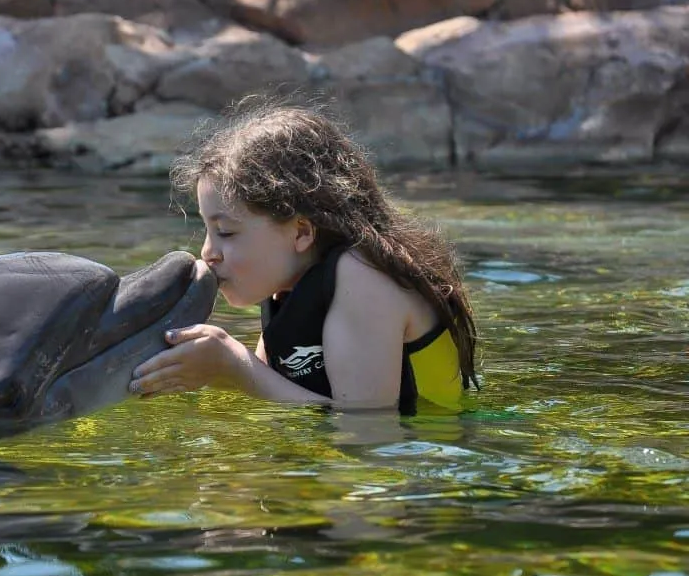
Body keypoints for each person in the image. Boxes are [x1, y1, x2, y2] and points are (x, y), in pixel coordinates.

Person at [128, 97, 478, 414]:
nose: (207, 252)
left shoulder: (364, 278)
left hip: (428, 471)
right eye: (207, 230)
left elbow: (367, 425)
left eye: (227, 232)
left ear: (301, 232)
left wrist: (232, 367)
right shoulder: (288, 292)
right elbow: (278, 397)